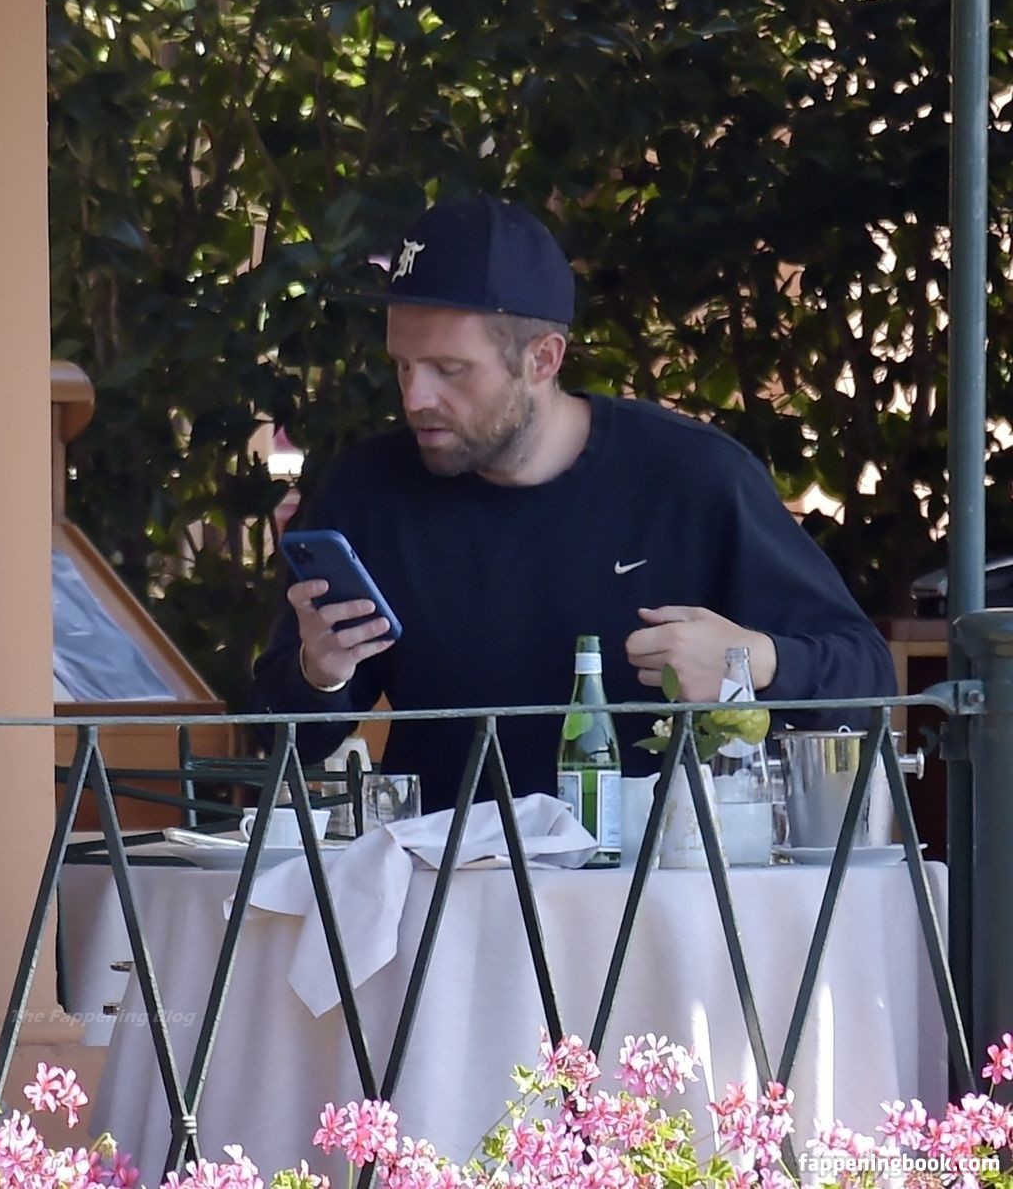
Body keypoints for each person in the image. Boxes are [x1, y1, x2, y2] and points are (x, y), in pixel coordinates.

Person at [250, 195, 897, 812]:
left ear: (543, 359)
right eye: (403, 365)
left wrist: (748, 663)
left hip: (654, 872)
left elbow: (867, 676)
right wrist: (319, 673)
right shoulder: (369, 489)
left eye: (450, 369)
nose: (416, 397)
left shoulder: (692, 477)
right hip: (442, 873)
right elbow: (276, 739)